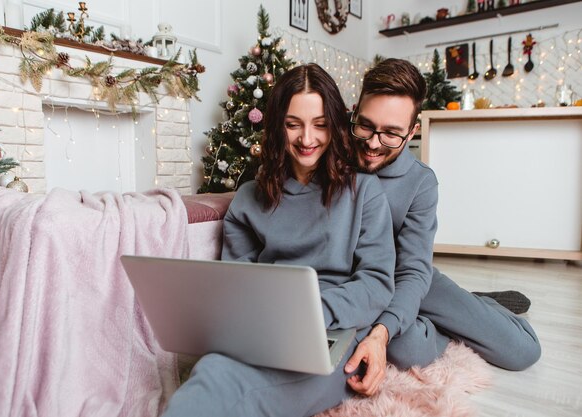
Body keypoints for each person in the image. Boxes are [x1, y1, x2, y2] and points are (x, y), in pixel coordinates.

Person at [162, 63, 396, 416]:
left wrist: (311, 312)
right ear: (276, 126)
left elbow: (377, 282)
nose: (307, 139)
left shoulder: (364, 191)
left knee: (238, 393)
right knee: (211, 371)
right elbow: (236, 277)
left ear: (334, 124)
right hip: (263, 327)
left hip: (331, 333)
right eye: (293, 124)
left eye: (320, 125)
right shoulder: (248, 198)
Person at [343, 58, 542, 396]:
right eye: (365, 126)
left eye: (391, 133)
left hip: (408, 278)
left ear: (412, 131)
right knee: (406, 351)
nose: (374, 143)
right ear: (355, 112)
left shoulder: (421, 182)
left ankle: (475, 305)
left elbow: (414, 271)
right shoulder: (331, 157)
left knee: (522, 352)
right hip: (359, 283)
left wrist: (383, 330)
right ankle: (455, 313)